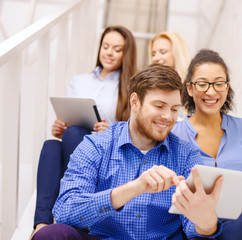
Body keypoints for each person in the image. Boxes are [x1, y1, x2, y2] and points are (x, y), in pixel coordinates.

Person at [31, 64, 224, 240]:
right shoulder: (96, 145)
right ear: (135, 102)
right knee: (51, 234)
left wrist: (206, 222)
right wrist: (135, 187)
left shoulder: (187, 154)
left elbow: (193, 229)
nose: (168, 117)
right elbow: (65, 210)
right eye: (159, 106)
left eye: (174, 109)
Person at [32, 25, 137, 236]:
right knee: (52, 145)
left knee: (72, 135)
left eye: (117, 49)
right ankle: (40, 224)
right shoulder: (79, 81)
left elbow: (132, 131)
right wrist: (60, 127)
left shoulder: (130, 88)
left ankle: (79, 205)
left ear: (126, 54)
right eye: (105, 46)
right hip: (74, 144)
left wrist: (110, 130)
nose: (109, 52)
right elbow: (68, 120)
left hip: (106, 156)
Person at [172, 49, 242, 240]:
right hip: (201, 220)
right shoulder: (175, 135)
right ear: (190, 89)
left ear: (226, 88)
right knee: (234, 224)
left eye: (218, 83)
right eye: (202, 84)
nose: (211, 91)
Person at [150, 31, 191, 120]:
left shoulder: (191, 88)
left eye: (163, 52)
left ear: (177, 54)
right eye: (153, 54)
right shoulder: (149, 86)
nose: (156, 58)